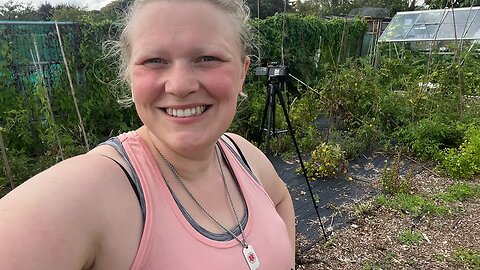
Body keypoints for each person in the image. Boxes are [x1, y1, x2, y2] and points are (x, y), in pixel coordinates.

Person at [0, 0, 296, 269]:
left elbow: (281, 198)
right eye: (154, 61)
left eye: (207, 58)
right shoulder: (99, 190)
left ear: (242, 72)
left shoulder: (242, 154)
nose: (179, 86)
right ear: (129, 75)